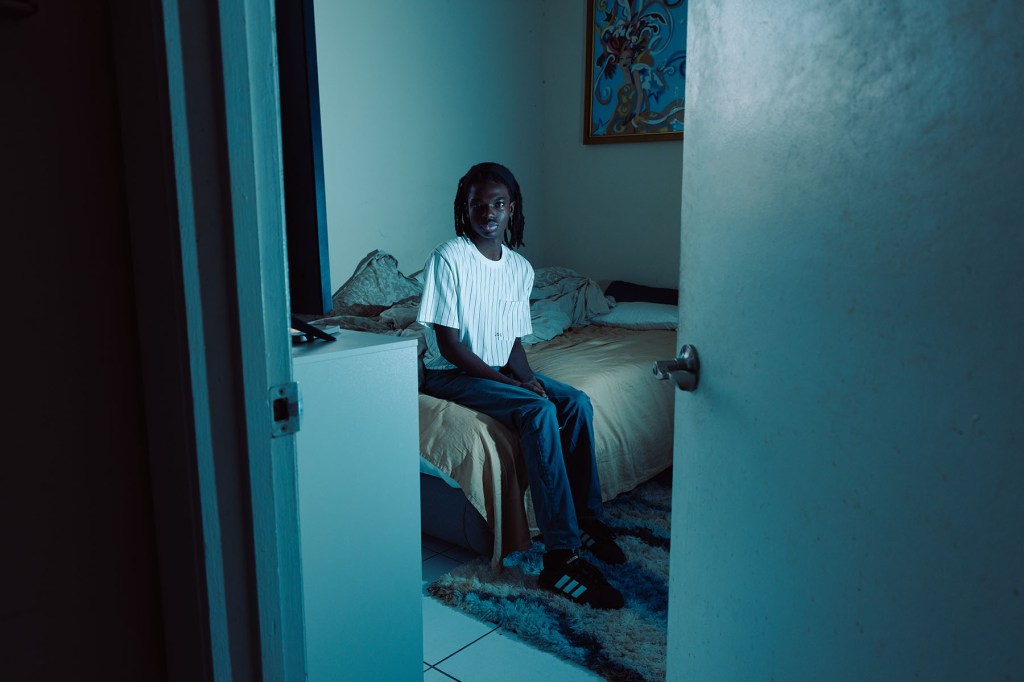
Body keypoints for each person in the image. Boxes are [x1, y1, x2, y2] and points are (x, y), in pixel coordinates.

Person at [417, 162, 626, 610]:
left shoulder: (518, 268)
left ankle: (588, 520)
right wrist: (514, 388)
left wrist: (528, 378)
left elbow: (511, 340)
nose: (488, 212)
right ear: (464, 209)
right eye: (478, 204)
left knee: (573, 402)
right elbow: (450, 347)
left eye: (498, 203)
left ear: (513, 209)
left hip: (497, 368)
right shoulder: (448, 258)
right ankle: (560, 556)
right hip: (450, 373)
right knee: (538, 411)